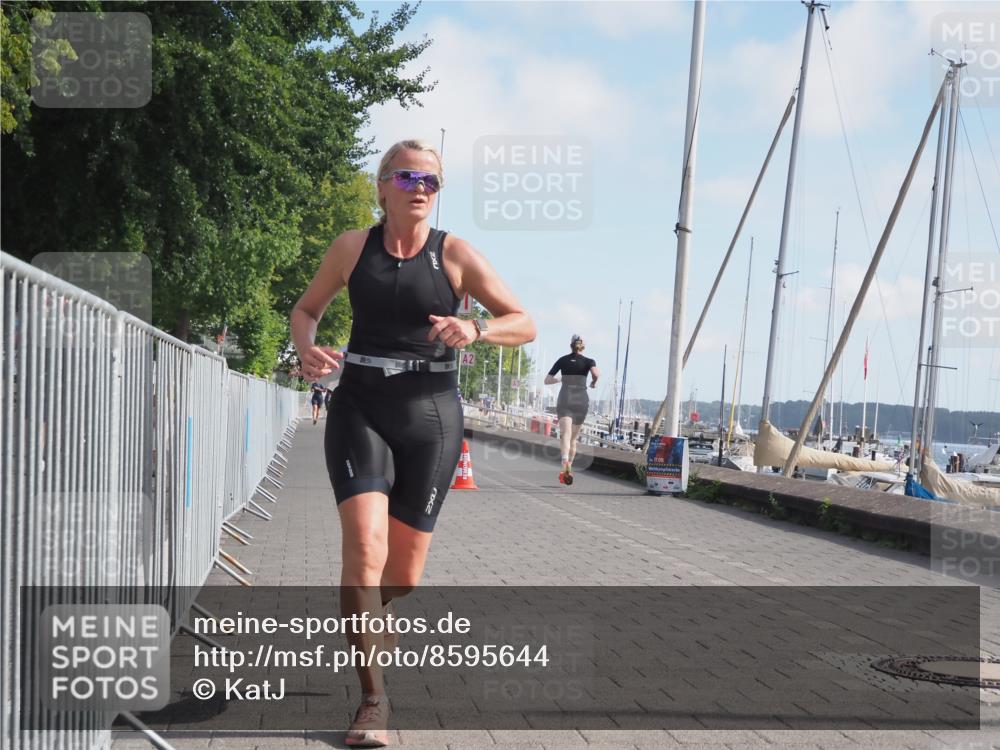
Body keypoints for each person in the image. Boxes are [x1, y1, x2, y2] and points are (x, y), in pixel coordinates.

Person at [291, 138, 535, 747]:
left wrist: (475, 326)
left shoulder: (454, 254)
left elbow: (524, 322)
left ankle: (375, 613)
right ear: (382, 187)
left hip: (432, 414)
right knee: (364, 552)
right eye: (407, 177)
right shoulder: (353, 247)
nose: (420, 187)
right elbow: (306, 309)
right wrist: (305, 349)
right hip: (360, 407)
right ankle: (374, 699)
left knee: (402, 574)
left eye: (431, 180)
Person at [544, 335, 599, 485]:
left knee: (565, 436)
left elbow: (547, 380)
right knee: (574, 439)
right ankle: (569, 468)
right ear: (583, 346)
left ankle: (564, 464)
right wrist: (594, 382)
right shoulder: (589, 361)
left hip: (565, 399)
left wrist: (561, 379)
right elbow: (595, 373)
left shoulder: (562, 360)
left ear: (571, 345)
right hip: (581, 400)